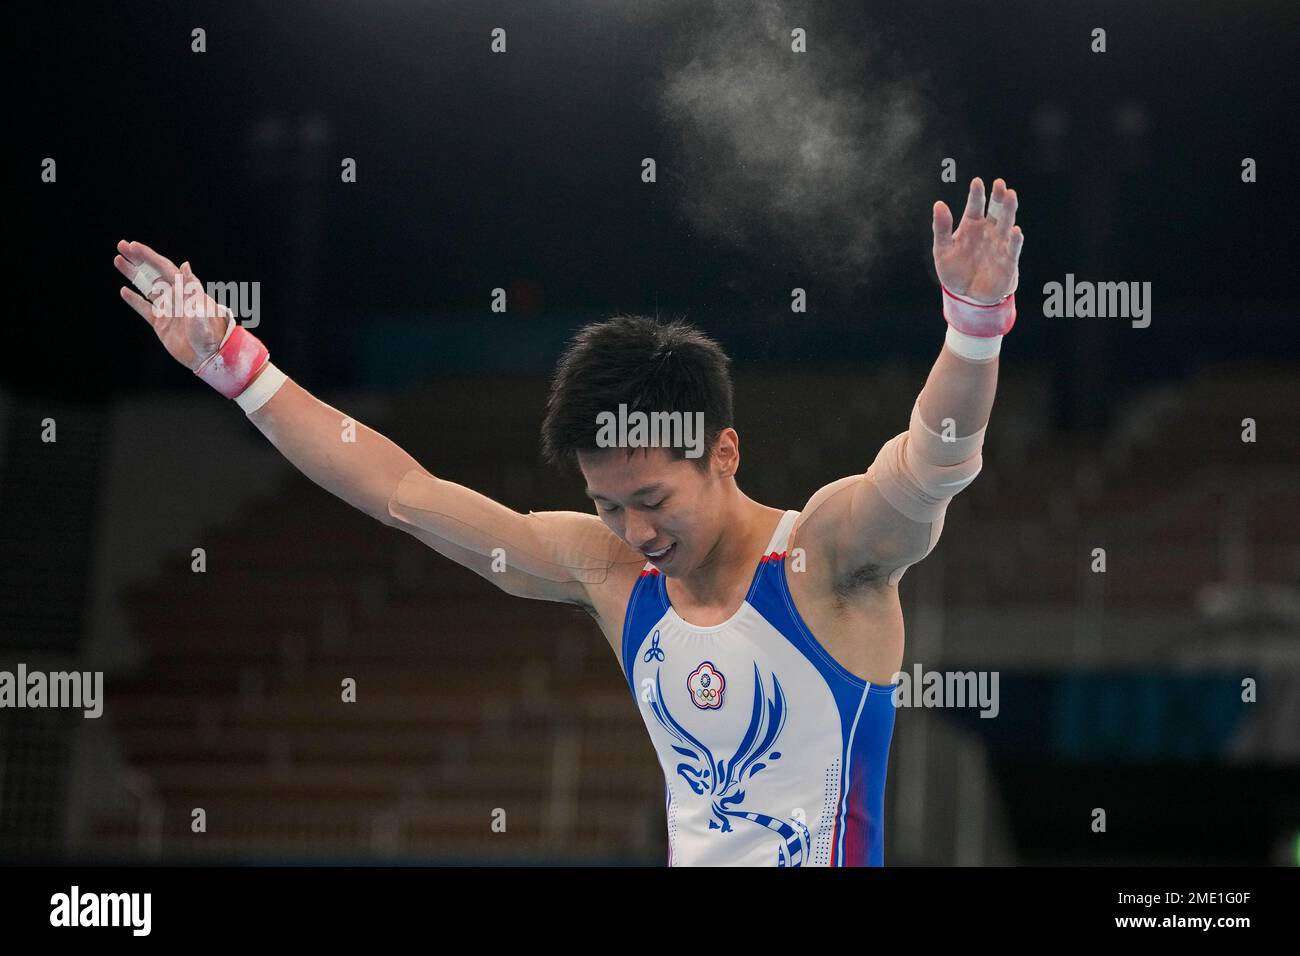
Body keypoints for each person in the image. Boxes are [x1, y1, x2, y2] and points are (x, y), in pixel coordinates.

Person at [113, 176, 1024, 866]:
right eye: (607, 504)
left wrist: (974, 325)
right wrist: (239, 368)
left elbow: (930, 466)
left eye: (654, 501)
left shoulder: (825, 556)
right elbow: (402, 491)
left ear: (724, 453)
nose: (634, 531)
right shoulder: (612, 577)